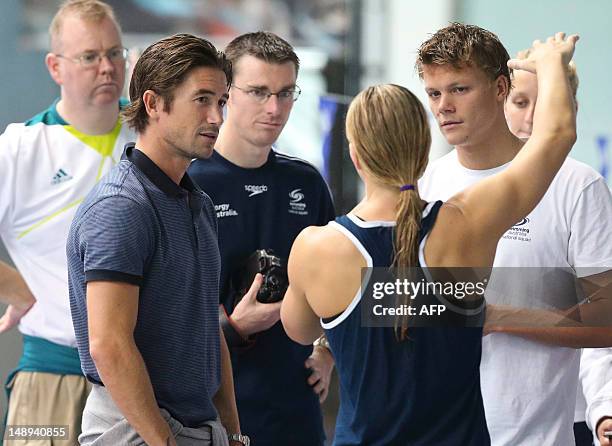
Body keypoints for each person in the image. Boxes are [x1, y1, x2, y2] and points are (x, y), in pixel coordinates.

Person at [281, 31, 579, 445]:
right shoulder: (466, 223)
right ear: (424, 148)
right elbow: (556, 136)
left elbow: (298, 330)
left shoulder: (316, 248)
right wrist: (551, 61)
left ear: (355, 155)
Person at [417, 24, 612, 445]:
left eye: (459, 89)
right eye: (434, 94)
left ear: (500, 87)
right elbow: (398, 309)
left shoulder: (576, 184)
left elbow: (607, 318)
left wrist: (501, 316)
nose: (444, 107)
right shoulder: (423, 185)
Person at [66, 33, 244, 446]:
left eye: (221, 102)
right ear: (153, 104)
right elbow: (108, 345)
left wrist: (235, 435)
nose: (217, 117)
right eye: (201, 99)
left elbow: (207, 326)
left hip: (199, 427)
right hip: (137, 428)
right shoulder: (121, 206)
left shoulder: (197, 203)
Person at [188, 31, 335, 446]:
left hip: (296, 409)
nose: (274, 108)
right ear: (226, 93)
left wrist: (326, 351)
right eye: (258, 92)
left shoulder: (306, 184)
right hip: (211, 410)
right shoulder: (189, 184)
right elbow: (162, 311)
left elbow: (340, 287)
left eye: (285, 93)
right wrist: (232, 327)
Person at [0, 1, 133, 443]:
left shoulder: (154, 134)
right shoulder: (21, 148)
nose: (107, 68)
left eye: (115, 53)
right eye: (89, 56)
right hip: (50, 381)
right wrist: (16, 287)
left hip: (141, 380)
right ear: (55, 66)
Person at [505, 50, 612, 446]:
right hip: (474, 412)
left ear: (569, 108)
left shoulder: (581, 187)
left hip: (566, 417)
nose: (530, 118)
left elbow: (601, 314)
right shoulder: (448, 179)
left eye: (544, 102)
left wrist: (604, 405)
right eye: (519, 102)